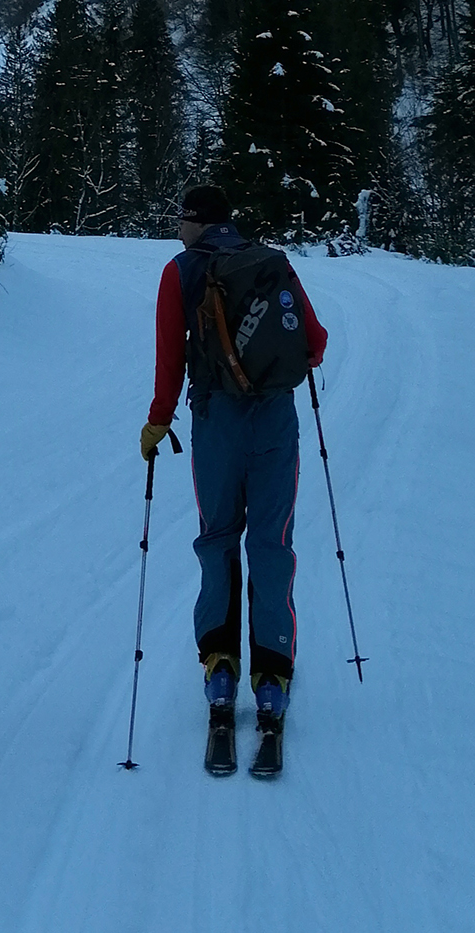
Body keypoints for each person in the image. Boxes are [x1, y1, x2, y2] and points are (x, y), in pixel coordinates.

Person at [140, 186, 327, 763]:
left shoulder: (178, 274)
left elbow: (170, 361)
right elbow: (314, 344)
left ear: (198, 224)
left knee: (218, 537)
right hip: (274, 421)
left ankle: (220, 670)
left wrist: (155, 424)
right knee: (272, 544)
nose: (178, 228)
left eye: (181, 219)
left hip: (215, 423)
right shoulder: (271, 262)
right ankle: (272, 679)